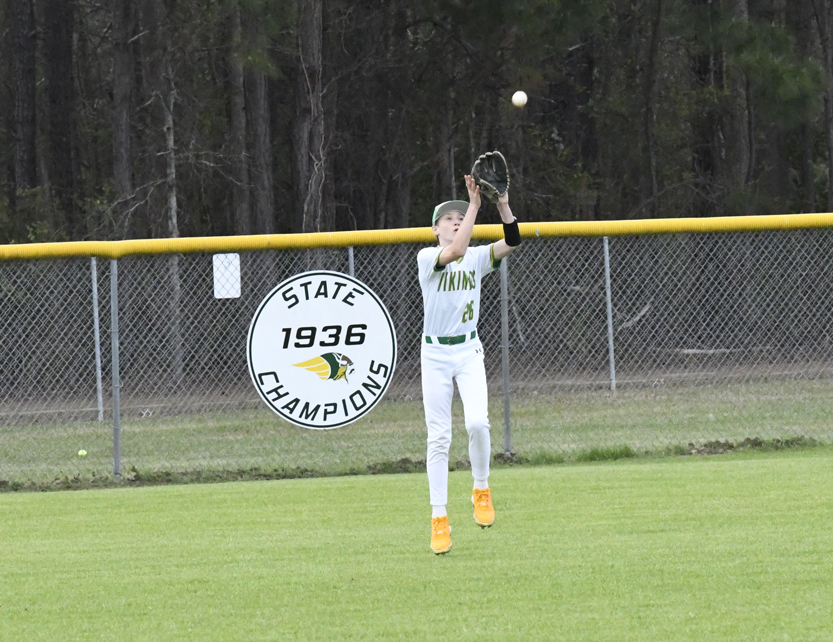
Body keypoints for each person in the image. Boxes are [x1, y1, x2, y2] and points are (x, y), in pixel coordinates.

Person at [416, 173, 522, 554]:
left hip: (467, 350)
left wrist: (502, 205)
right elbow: (456, 252)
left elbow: (513, 240)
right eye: (448, 219)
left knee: (477, 422)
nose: (456, 221)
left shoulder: (477, 258)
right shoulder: (427, 258)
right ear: (435, 229)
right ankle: (439, 517)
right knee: (439, 437)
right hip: (434, 355)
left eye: (460, 217)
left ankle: (481, 487)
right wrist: (475, 205)